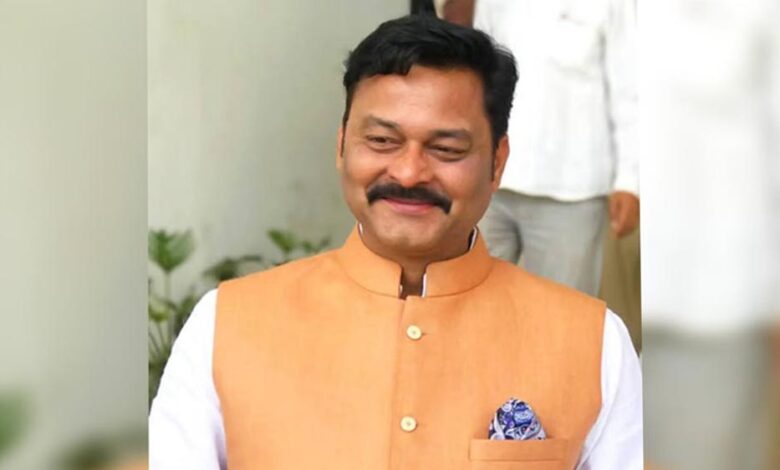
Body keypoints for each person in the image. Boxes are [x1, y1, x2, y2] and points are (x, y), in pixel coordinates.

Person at [149, 15, 642, 469]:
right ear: (342, 145)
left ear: (497, 162)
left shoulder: (595, 343)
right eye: (382, 141)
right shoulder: (225, 325)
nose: (408, 172)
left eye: (446, 148)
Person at [441, 0, 638, 297]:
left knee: (562, 313)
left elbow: (630, 91)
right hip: (490, 185)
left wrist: (630, 182)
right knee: (469, 302)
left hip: (572, 193)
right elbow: (478, 80)